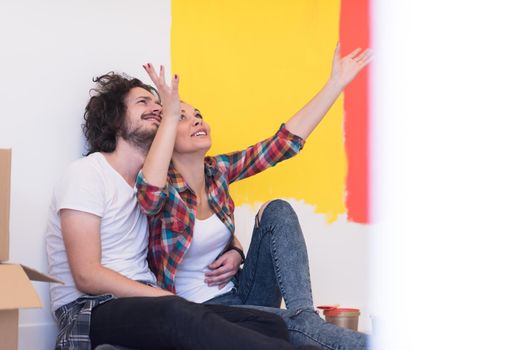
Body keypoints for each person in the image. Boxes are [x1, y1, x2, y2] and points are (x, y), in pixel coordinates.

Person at [45, 73, 322, 350]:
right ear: (115, 119)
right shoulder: (87, 174)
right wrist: (164, 298)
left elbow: (196, 225)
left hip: (149, 303)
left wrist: (235, 247)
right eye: (143, 102)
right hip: (92, 308)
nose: (157, 108)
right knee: (176, 313)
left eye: (160, 105)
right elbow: (87, 275)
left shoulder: (156, 186)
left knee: (268, 324)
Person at [136, 43, 372, 350]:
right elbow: (149, 196)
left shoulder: (217, 171)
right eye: (182, 117)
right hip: (205, 315)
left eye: (198, 114)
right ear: (166, 133)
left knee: (277, 209)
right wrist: (167, 115)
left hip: (243, 295)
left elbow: (282, 144)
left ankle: (304, 315)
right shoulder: (162, 186)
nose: (197, 120)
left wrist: (334, 84)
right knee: (296, 329)